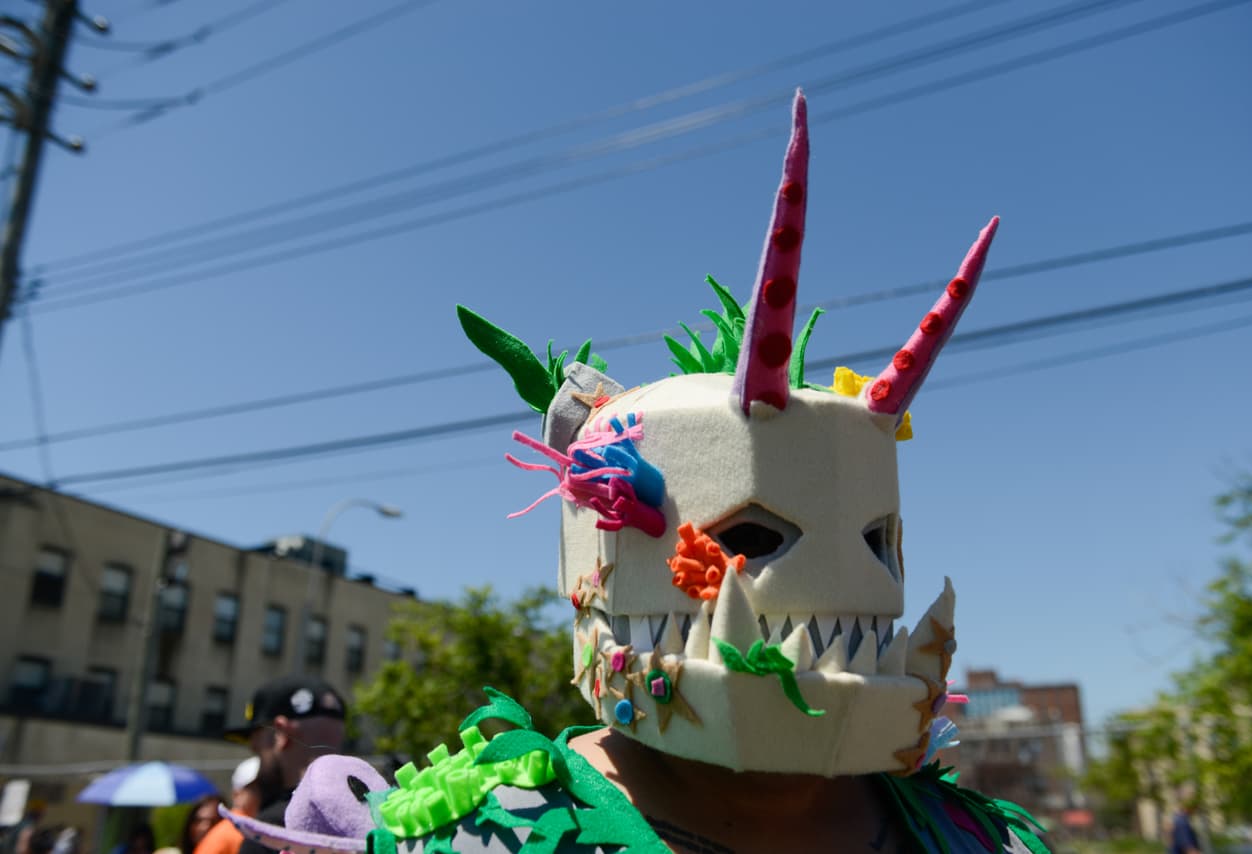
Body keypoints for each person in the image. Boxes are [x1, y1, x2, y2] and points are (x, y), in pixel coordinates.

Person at [218, 92, 1044, 853]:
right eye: (750, 535)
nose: (849, 581)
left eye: (878, 544)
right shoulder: (479, 836)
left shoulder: (986, 840)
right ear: (596, 559)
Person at [222, 676, 346, 854]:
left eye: (258, 749)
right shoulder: (382, 818)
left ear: (280, 733)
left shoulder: (268, 835)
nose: (258, 767)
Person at [193, 759, 259, 854]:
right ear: (236, 794)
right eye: (254, 788)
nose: (263, 793)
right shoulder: (238, 830)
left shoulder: (241, 826)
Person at [1169, 789, 1203, 854]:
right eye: (1195, 803)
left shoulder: (1176, 819)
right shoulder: (1182, 823)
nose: (1197, 806)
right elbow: (1189, 850)